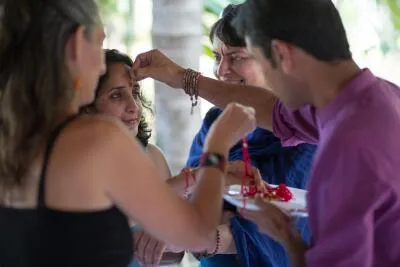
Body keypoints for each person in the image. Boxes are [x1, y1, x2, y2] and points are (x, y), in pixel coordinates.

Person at [132, 0, 400, 266]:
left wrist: (217, 147)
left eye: (254, 60)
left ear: (281, 55)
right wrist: (286, 235)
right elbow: (270, 110)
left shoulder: (346, 148)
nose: (268, 86)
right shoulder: (376, 97)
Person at [0, 1, 257, 267]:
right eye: (98, 43)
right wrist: (218, 144)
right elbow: (198, 233)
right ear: (76, 44)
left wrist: (195, 178)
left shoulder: (12, 139)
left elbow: (111, 216)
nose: (101, 66)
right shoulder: (98, 138)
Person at [185, 5, 316, 267]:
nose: (222, 70)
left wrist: (209, 236)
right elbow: (187, 197)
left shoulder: (307, 131)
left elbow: (294, 224)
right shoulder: (215, 121)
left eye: (237, 57)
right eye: (217, 56)